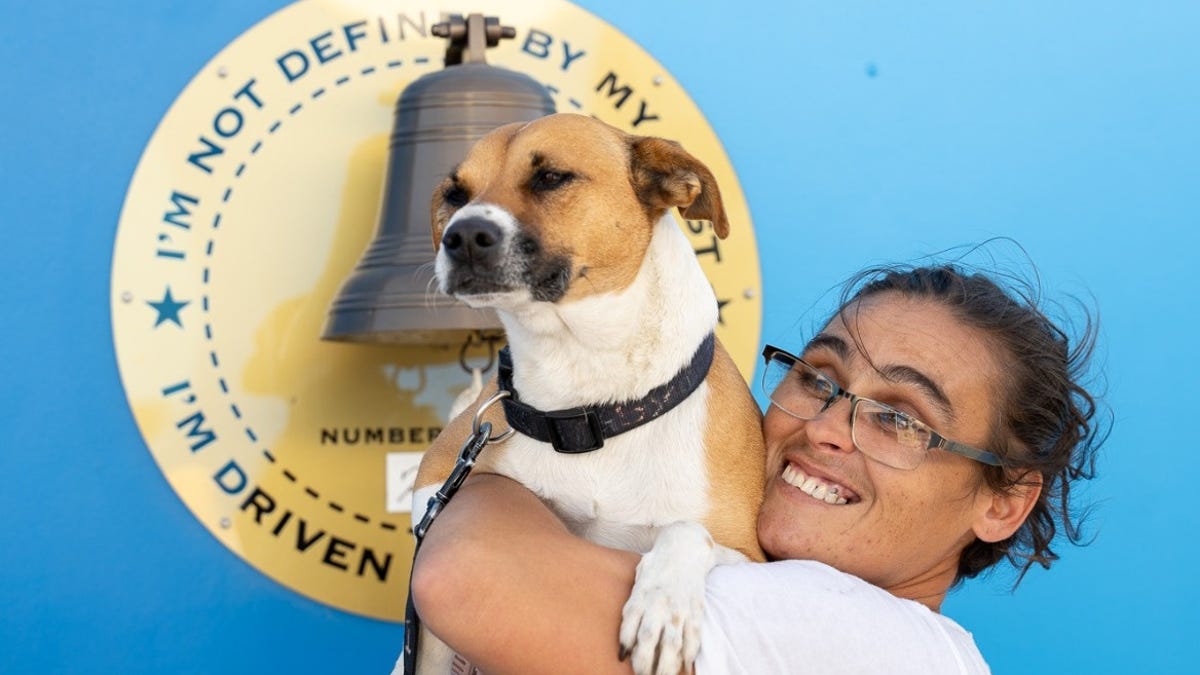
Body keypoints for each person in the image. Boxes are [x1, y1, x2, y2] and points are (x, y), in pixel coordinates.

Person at [408, 262, 1103, 674]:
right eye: (818, 379)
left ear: (1004, 503)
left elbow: (465, 574)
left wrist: (515, 427)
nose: (825, 427)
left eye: (899, 420)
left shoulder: (860, 637)